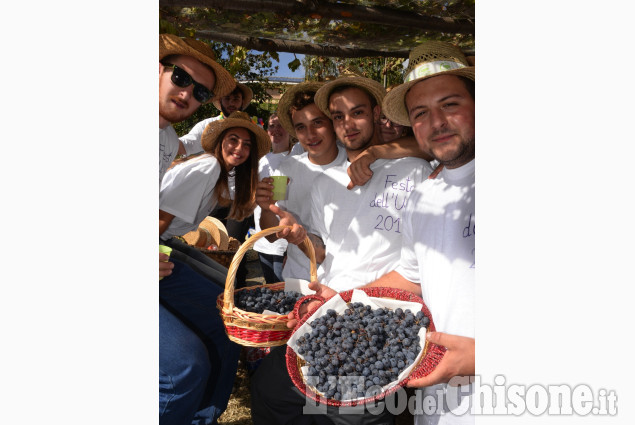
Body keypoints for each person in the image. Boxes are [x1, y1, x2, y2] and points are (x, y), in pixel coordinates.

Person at [304, 41, 476, 425]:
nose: (436, 122)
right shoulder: (426, 194)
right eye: (421, 112)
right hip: (439, 406)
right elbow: (410, 279)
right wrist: (344, 300)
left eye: (450, 104)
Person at [251, 72, 433, 425]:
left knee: (351, 416)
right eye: (338, 116)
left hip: (378, 317)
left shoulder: (415, 170)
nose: (347, 124)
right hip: (326, 310)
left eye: (357, 113)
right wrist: (297, 234)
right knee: (272, 393)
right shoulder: (322, 182)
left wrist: (379, 152)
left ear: (377, 113)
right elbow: (320, 251)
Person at [158, 33, 238, 425]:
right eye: (181, 77)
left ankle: (202, 416)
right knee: (183, 367)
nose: (188, 93)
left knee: (224, 313)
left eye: (201, 92)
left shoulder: (167, 138)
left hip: (158, 253)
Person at [254, 81, 348, 283]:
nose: (310, 134)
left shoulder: (354, 164)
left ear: (332, 122)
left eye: (318, 123)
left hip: (344, 280)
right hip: (298, 280)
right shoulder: (284, 170)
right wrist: (266, 209)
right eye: (301, 127)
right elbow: (271, 236)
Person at [253, 113, 293, 284]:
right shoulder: (262, 160)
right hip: (262, 237)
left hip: (284, 241)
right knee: (270, 287)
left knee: (282, 290)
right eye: (272, 126)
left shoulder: (295, 159)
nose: (276, 130)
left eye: (280, 125)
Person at [178, 82, 254, 156]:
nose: (231, 103)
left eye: (236, 99)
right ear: (220, 101)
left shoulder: (254, 127)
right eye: (227, 98)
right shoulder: (207, 126)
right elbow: (186, 144)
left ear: (242, 102)